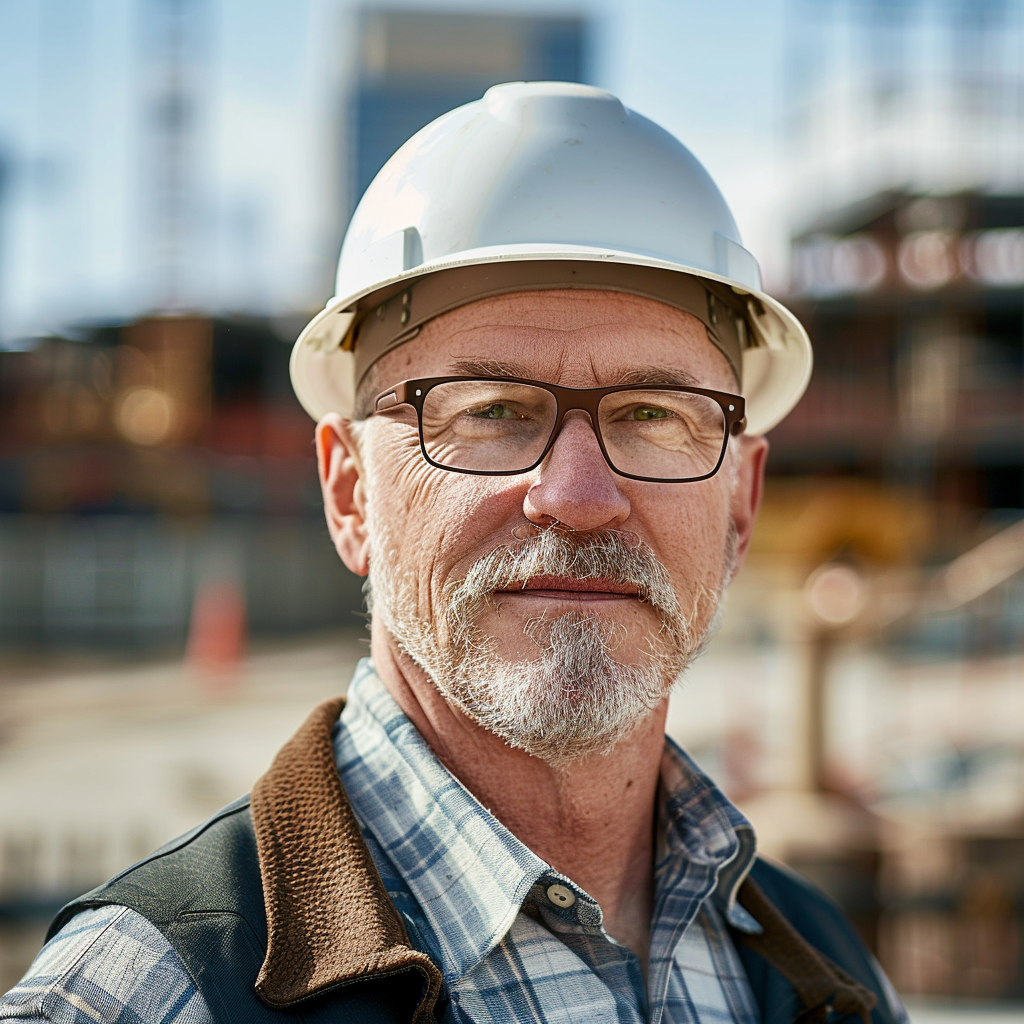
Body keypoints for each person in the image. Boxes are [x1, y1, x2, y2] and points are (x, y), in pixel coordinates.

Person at [1, 82, 907, 1024]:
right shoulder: (140, 998)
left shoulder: (831, 978)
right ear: (350, 492)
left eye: (652, 416)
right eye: (489, 411)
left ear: (742, 504)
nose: (579, 498)